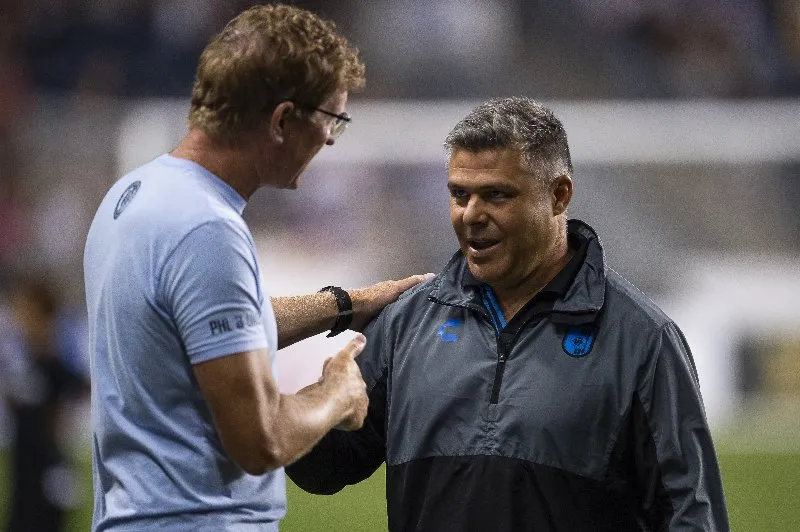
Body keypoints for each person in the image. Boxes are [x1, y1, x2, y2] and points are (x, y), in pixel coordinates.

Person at [286, 97, 730, 531]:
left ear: (559, 195)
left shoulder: (641, 338)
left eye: (496, 195)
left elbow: (690, 512)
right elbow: (326, 469)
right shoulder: (408, 322)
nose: (471, 215)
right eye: (459, 194)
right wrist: (307, 401)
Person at [83, 4, 428, 531]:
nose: (330, 140)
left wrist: (347, 305)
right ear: (283, 120)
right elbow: (260, 440)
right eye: (331, 120)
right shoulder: (206, 229)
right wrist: (337, 394)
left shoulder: (136, 193)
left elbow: (207, 329)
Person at [0, 275, 89, 532]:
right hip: (24, 468)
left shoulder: (53, 363)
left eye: (26, 311)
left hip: (46, 466)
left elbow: (79, 388)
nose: (19, 320)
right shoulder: (21, 361)